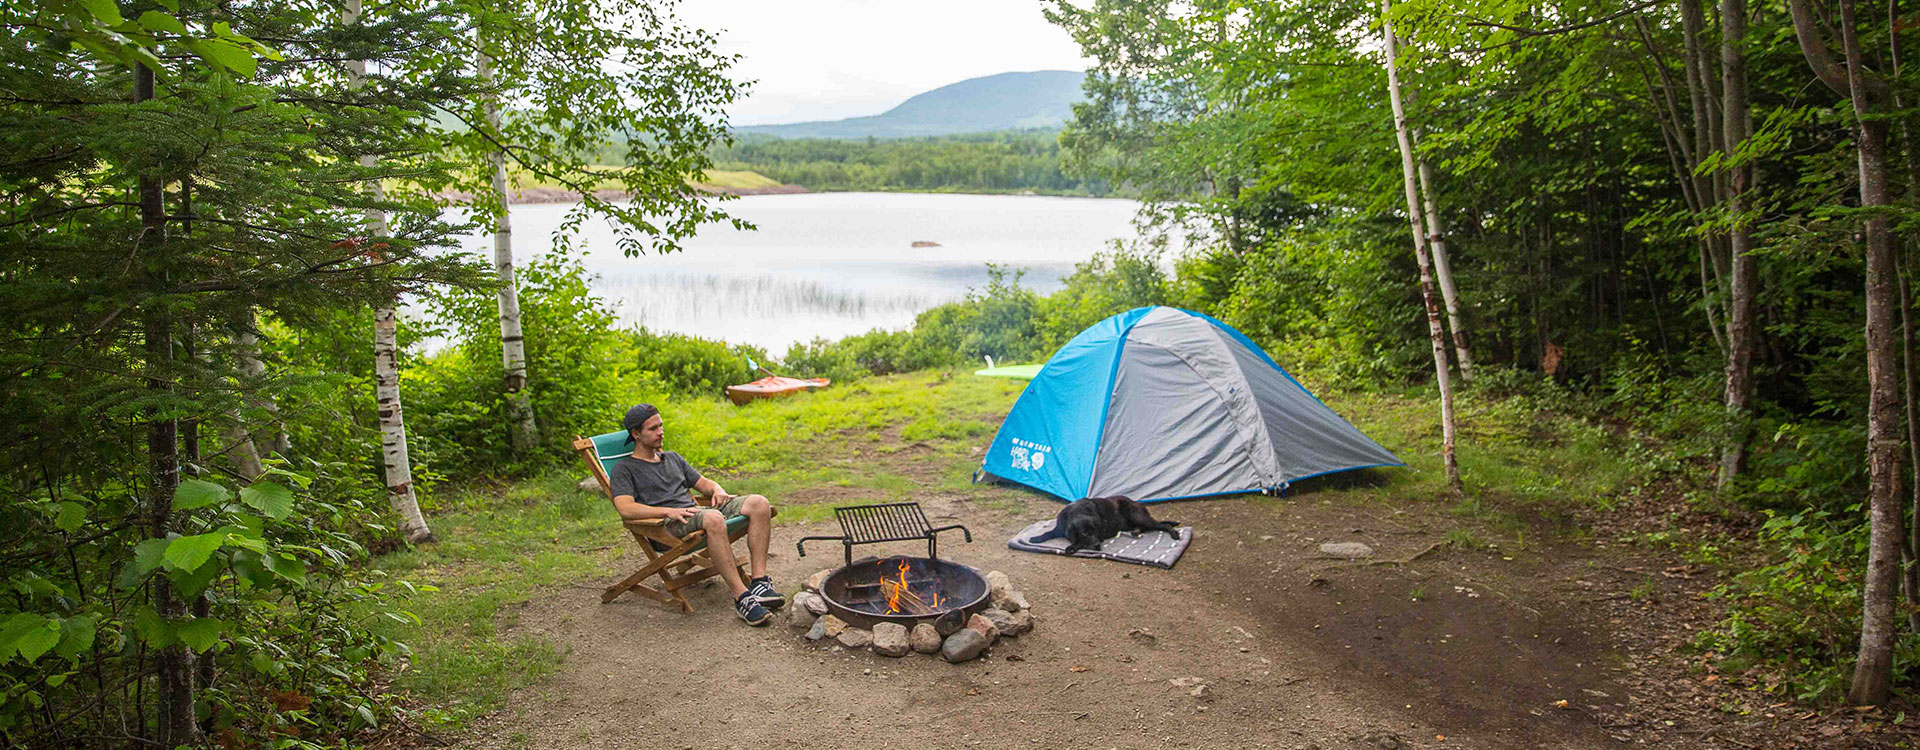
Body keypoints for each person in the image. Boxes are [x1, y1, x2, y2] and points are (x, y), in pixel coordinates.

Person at [608, 403, 785, 625]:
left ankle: (759, 582)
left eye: (661, 426)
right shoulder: (624, 469)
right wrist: (669, 511)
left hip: (697, 514)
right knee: (713, 517)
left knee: (760, 503)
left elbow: (704, 483)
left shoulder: (672, 458)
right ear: (636, 434)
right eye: (653, 429)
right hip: (666, 527)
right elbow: (625, 508)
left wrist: (717, 490)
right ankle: (742, 597)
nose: (661, 432)